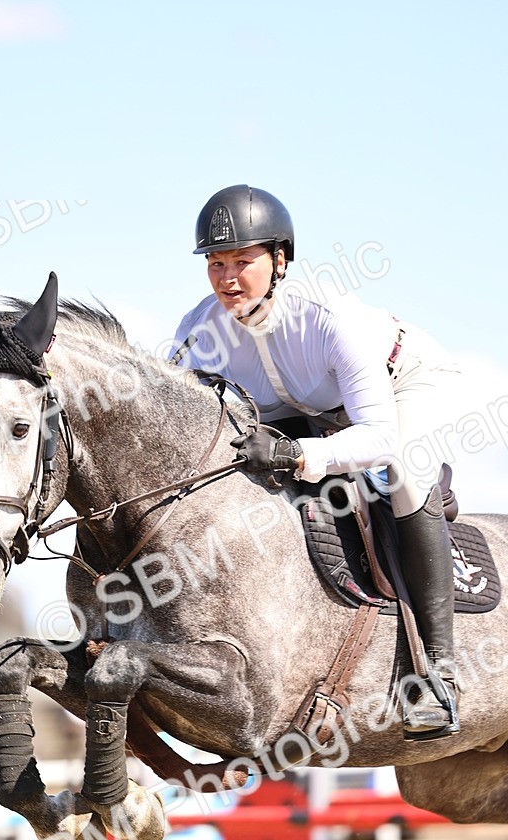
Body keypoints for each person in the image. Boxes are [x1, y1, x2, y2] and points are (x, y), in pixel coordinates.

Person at [170, 184, 463, 740]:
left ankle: (438, 673)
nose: (227, 278)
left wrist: (296, 453)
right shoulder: (196, 332)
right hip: (312, 409)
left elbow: (378, 434)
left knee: (402, 474)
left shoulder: (329, 316)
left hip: (404, 383)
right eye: (215, 263)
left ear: (280, 259)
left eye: (242, 261)